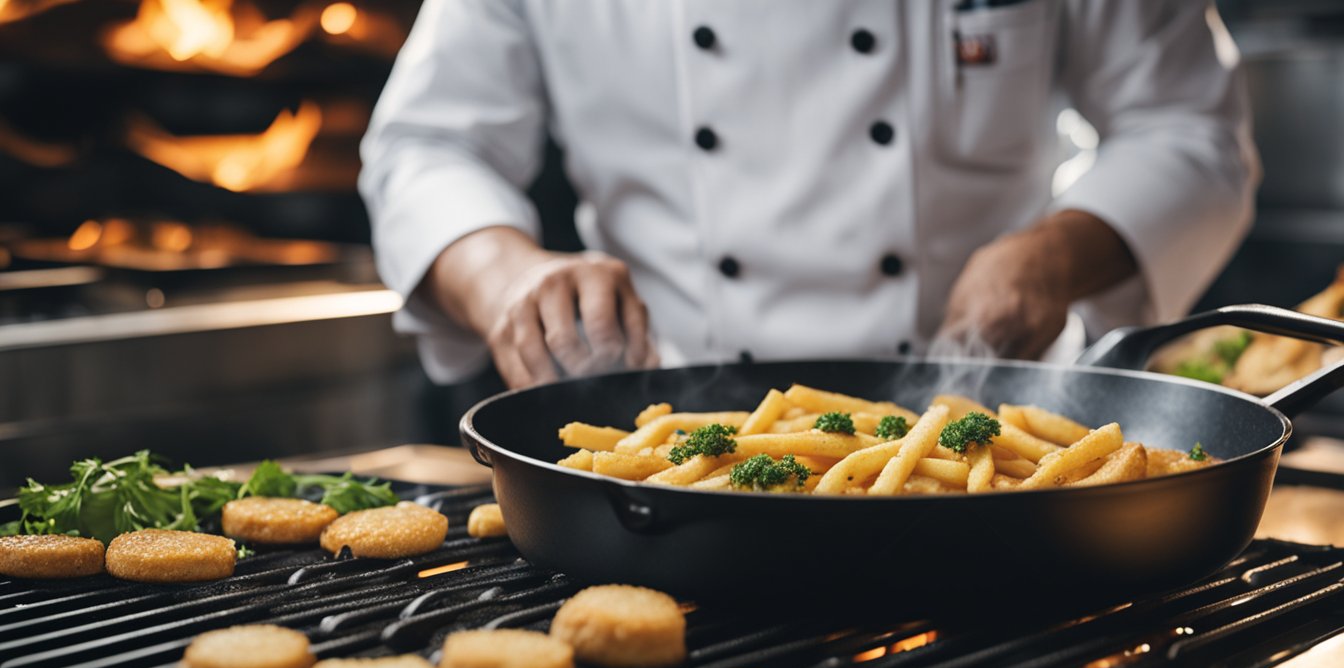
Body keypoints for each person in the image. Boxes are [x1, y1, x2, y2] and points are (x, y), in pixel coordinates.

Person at [360, 0, 1258, 390]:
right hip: (667, 455)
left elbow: (1191, 126)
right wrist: (503, 275)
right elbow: (428, 143)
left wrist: (1051, 257)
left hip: (992, 442)